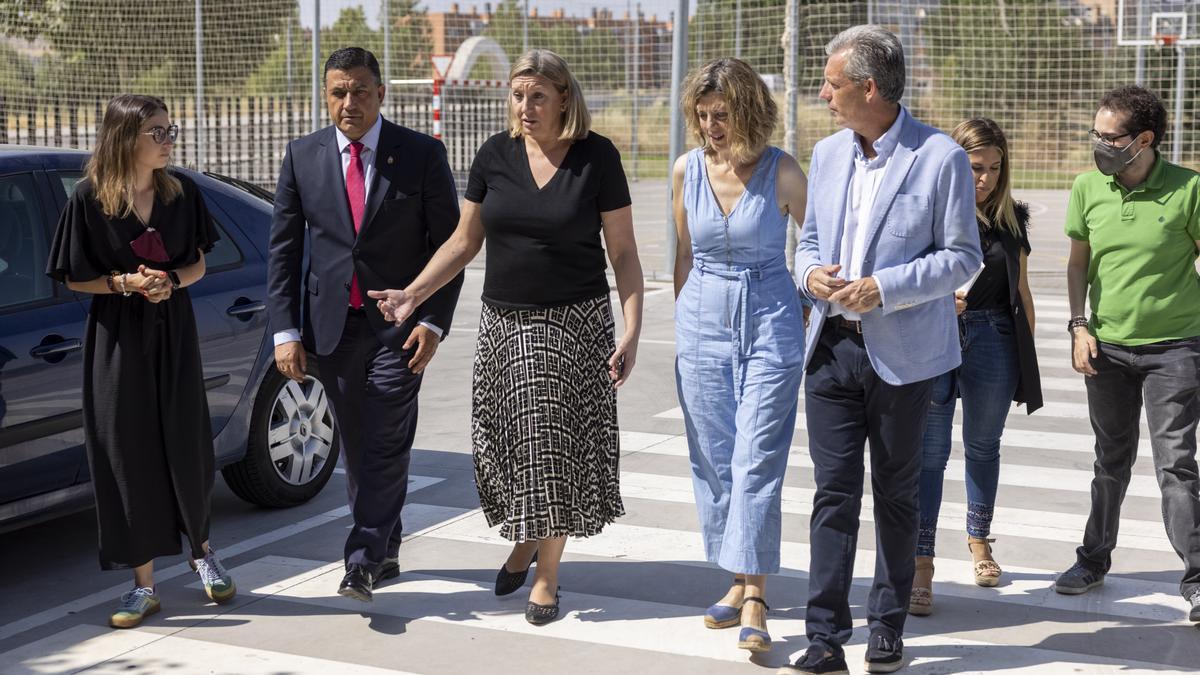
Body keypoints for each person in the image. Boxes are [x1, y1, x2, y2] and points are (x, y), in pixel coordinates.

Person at [370, 49, 643, 626]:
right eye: (518, 95)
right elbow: (463, 242)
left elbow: (622, 252)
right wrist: (413, 293)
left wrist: (634, 328)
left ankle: (546, 575)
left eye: (538, 96)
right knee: (513, 447)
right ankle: (526, 540)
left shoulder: (597, 157)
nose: (525, 107)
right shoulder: (495, 155)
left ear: (564, 98)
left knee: (558, 447)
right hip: (504, 324)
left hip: (575, 325)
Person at [777, 26, 981, 675]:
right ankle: (825, 633)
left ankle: (887, 624)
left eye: (832, 83)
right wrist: (810, 275)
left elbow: (962, 257)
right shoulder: (829, 152)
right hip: (832, 348)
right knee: (832, 494)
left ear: (869, 87)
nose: (823, 93)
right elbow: (807, 242)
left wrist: (884, 289)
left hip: (903, 357)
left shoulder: (940, 157)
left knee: (895, 494)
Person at [267, 47, 463, 602]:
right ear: (326, 94)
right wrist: (286, 331)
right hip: (331, 327)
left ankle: (361, 559)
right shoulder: (302, 156)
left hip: (398, 326)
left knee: (383, 438)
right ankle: (388, 543)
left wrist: (432, 321)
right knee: (357, 441)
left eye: (358, 90)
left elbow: (449, 247)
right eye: (337, 91)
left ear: (381, 92)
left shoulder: (421, 154)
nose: (348, 102)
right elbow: (283, 253)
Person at [45, 94, 235, 628]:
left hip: (174, 332)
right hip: (117, 339)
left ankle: (203, 553)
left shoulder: (182, 194)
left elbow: (197, 263)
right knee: (127, 453)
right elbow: (72, 276)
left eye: (170, 128)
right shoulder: (88, 200)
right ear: (126, 137)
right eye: (158, 131)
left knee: (186, 442)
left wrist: (170, 281)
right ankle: (143, 585)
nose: (169, 138)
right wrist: (123, 283)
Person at [671, 57, 807, 653]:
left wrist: (809, 299)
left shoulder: (783, 172)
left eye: (721, 115)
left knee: (757, 458)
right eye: (701, 116)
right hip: (700, 318)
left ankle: (756, 595)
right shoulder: (685, 170)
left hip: (770, 318)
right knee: (715, 458)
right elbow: (681, 254)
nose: (709, 126)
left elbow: (819, 243)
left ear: (748, 110)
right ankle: (737, 579)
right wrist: (682, 324)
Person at [1055, 85, 1200, 624]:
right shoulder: (1088, 188)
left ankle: (1197, 578)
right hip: (1107, 349)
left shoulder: (1189, 190)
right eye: (1095, 134)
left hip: (1177, 351)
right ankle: (1092, 560)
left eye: (1109, 137)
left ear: (1144, 140)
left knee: (1176, 466)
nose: (1099, 145)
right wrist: (1078, 325)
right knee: (1109, 462)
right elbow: (1076, 265)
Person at [909, 118, 1043, 616]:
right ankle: (922, 562)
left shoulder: (1013, 220)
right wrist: (939, 301)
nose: (983, 178)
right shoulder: (931, 213)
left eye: (992, 168)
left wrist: (1028, 359)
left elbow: (1022, 291)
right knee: (930, 452)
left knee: (984, 445)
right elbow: (910, 279)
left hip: (993, 339)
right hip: (938, 336)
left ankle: (980, 543)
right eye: (973, 168)